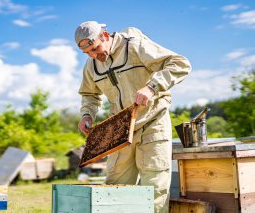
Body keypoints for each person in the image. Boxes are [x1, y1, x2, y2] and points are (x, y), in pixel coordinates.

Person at [75, 21, 191, 213]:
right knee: (114, 189)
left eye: (95, 49)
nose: (94, 55)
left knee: (154, 189)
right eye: (88, 53)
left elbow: (180, 63)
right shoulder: (91, 66)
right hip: (120, 128)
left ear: (104, 36)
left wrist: (152, 87)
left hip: (153, 122)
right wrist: (87, 114)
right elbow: (89, 94)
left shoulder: (135, 46)